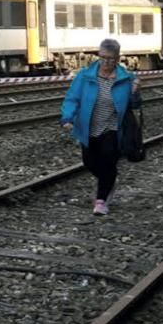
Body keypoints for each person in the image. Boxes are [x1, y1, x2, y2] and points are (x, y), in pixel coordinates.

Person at [61, 39, 141, 216]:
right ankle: (109, 182)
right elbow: (72, 98)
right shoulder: (85, 75)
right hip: (87, 128)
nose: (106, 62)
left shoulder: (126, 78)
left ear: (118, 58)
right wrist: (68, 117)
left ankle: (101, 201)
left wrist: (135, 92)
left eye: (111, 59)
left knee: (108, 163)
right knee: (90, 163)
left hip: (112, 128)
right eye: (103, 57)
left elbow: (135, 106)